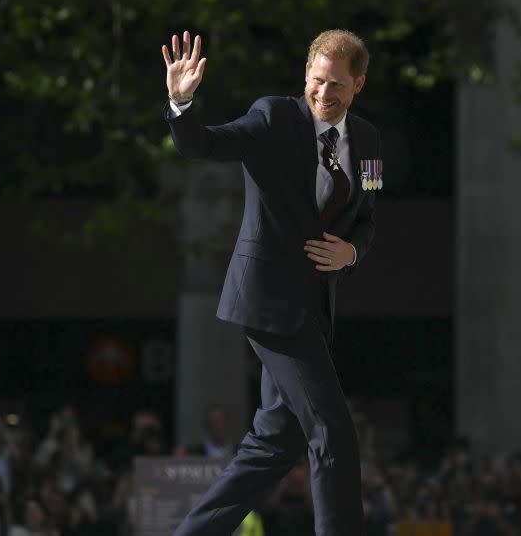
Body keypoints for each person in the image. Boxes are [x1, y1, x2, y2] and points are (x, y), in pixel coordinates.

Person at [162, 27, 380, 535]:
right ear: (306, 74)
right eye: (318, 81)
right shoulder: (273, 117)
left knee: (274, 444)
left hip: (314, 308)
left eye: (338, 86)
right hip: (267, 301)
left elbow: (367, 216)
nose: (325, 94)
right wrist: (181, 103)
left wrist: (352, 252)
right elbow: (203, 144)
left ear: (359, 85)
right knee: (333, 433)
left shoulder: (368, 142)